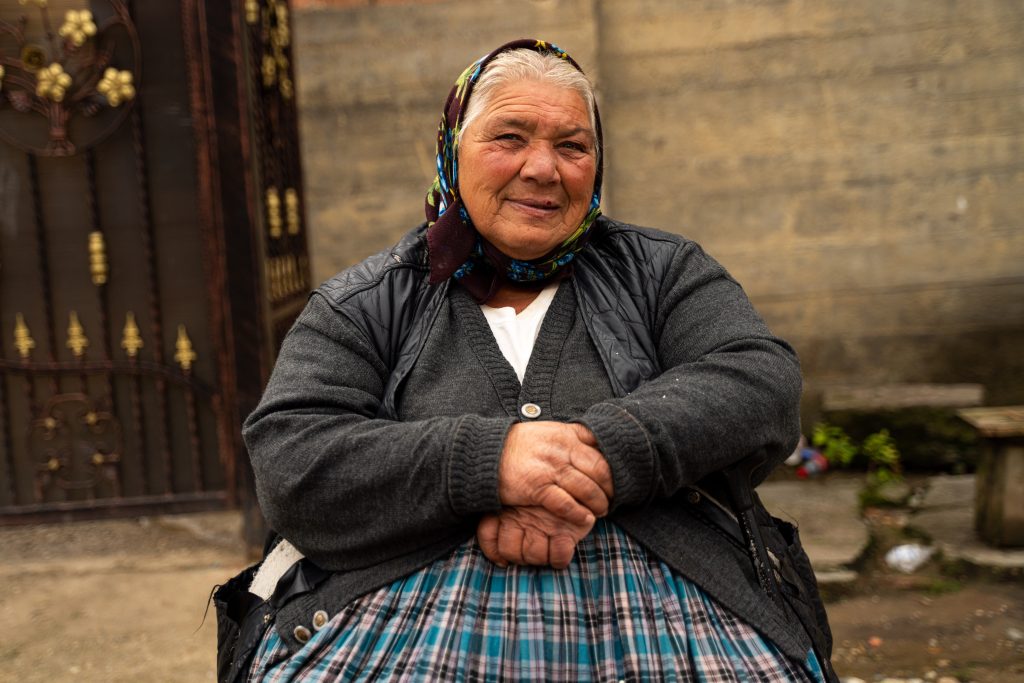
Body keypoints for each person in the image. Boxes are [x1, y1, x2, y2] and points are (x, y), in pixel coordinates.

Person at [239, 38, 834, 682]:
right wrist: (491, 464)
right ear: (450, 150)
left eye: (572, 146)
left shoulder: (663, 273)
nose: (543, 168)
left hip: (677, 622)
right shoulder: (366, 302)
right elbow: (292, 456)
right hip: (396, 629)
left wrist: (602, 453)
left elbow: (760, 382)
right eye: (509, 137)